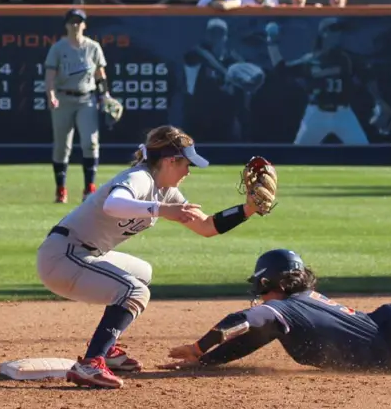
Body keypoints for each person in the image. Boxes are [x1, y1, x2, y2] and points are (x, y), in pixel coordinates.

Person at [36, 125, 270, 389]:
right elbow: (112, 204)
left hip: (81, 255)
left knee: (142, 273)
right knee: (135, 292)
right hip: (63, 255)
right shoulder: (140, 178)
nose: (188, 172)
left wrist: (248, 209)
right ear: (171, 161)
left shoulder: (166, 191)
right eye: (186, 164)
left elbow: (206, 227)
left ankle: (107, 349)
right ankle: (91, 363)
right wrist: (161, 210)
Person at [163, 248, 391, 372]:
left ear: (267, 282)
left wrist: (198, 348)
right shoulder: (306, 300)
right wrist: (207, 361)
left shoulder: (283, 309)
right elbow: (251, 338)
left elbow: (243, 320)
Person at [265, 16, 391, 144]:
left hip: (343, 113)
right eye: (334, 30)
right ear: (324, 34)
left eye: (339, 31)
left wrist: (379, 100)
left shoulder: (348, 59)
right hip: (316, 113)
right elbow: (282, 70)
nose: (337, 34)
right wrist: (272, 44)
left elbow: (368, 77)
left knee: (363, 151)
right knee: (298, 153)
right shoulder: (310, 60)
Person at [44, 8, 112, 204]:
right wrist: (51, 95)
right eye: (72, 21)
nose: (75, 25)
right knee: (62, 147)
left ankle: (89, 189)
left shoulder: (93, 47)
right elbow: (50, 76)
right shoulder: (58, 48)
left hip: (86, 99)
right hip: (64, 99)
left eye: (79, 21)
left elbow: (100, 74)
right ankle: (61, 189)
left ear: (84, 25)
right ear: (66, 25)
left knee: (90, 143)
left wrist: (105, 94)